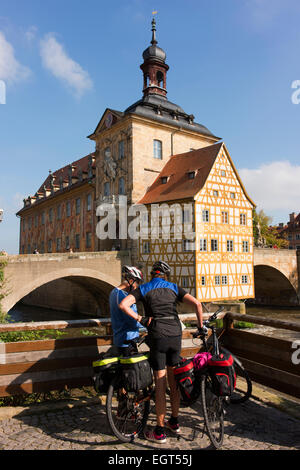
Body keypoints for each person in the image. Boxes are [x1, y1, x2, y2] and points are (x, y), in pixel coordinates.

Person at [119, 260, 203, 444]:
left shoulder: (145, 288)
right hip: (175, 335)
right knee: (174, 382)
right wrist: (200, 327)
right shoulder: (173, 287)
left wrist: (141, 318)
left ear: (152, 274)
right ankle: (174, 421)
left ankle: (159, 431)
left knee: (160, 382)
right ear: (164, 275)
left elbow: (123, 305)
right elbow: (197, 304)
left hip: (157, 335)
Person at [109, 265, 145, 356]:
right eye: (137, 283)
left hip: (118, 339)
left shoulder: (114, 292)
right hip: (128, 340)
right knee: (132, 368)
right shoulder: (124, 297)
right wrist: (148, 323)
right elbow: (132, 320)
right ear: (131, 281)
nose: (137, 287)